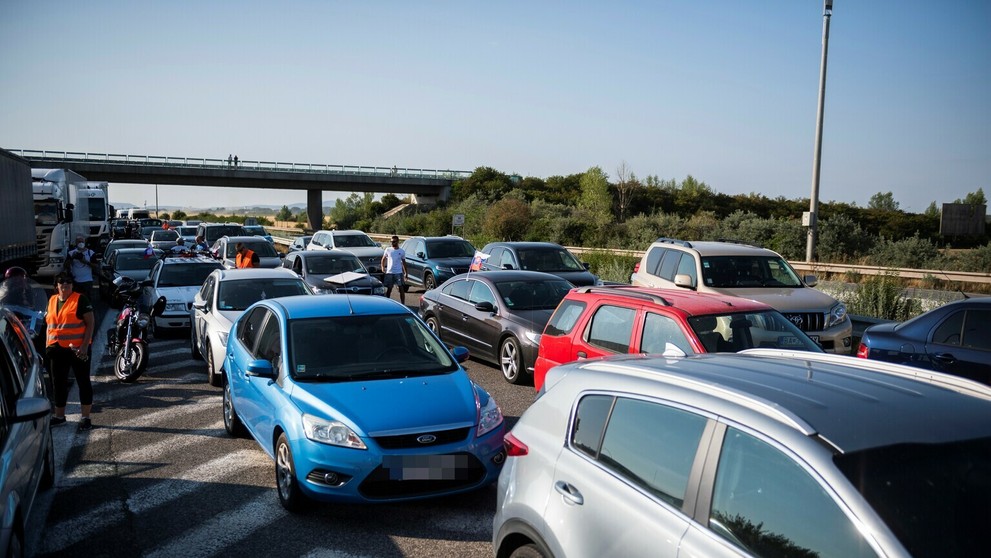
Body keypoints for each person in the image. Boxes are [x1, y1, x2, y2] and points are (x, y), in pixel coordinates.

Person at [46, 272, 95, 431]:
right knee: (58, 383)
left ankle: (86, 418)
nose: (65, 284)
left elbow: (90, 323)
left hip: (77, 349)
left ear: (72, 285)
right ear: (56, 286)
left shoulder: (80, 299)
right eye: (61, 282)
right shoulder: (52, 300)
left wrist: (85, 345)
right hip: (57, 349)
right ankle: (59, 416)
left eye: (68, 282)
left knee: (83, 382)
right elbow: (50, 324)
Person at [380, 235, 407, 304]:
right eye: (391, 241)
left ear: (398, 242)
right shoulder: (388, 250)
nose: (392, 243)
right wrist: (383, 267)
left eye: (394, 242)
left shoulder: (402, 251)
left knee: (401, 289)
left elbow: (404, 263)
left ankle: (403, 304)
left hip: (398, 272)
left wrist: (406, 273)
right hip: (390, 272)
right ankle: (387, 303)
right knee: (389, 289)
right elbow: (383, 259)